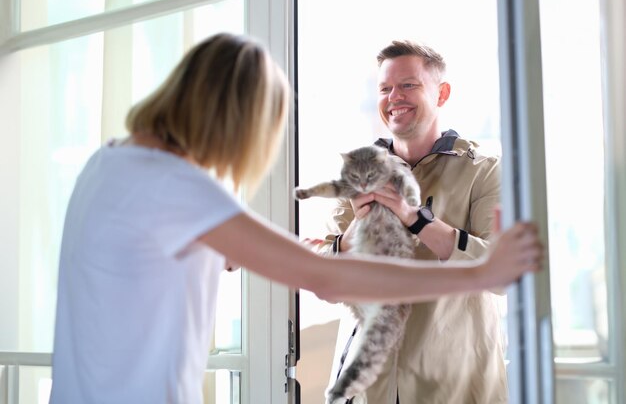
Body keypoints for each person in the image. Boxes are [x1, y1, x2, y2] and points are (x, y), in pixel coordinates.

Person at [48, 33, 541, 404]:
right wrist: (479, 272)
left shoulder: (108, 163)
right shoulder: (179, 186)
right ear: (230, 117)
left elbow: (161, 262)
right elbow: (324, 272)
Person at [317, 40, 513, 403]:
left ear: (442, 94)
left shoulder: (485, 171)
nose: (395, 97)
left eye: (408, 85)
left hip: (457, 389)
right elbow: (322, 279)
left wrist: (416, 219)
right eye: (385, 88)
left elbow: (501, 275)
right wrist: (357, 230)